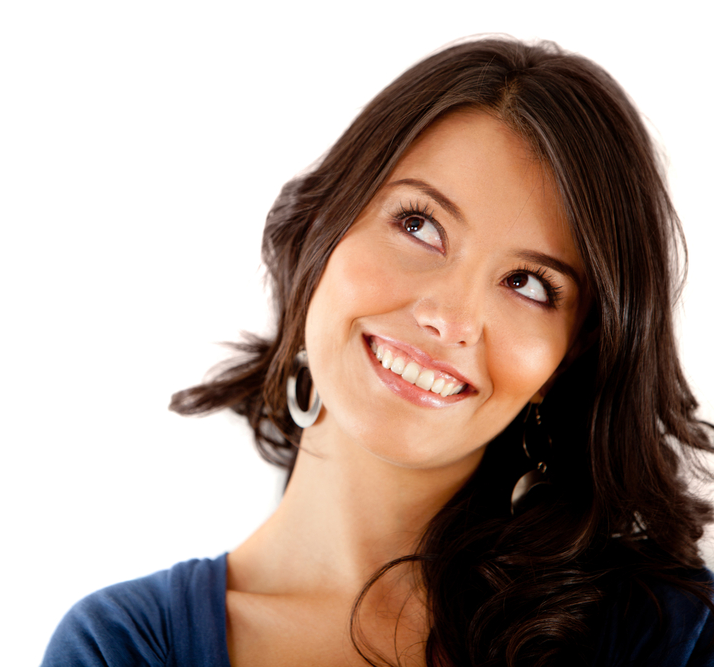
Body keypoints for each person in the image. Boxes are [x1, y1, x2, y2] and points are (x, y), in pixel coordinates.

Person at [42, 37, 714, 666]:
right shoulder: (125, 646)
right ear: (322, 232)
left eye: (528, 283)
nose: (449, 318)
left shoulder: (670, 634)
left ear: (565, 361)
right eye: (419, 224)